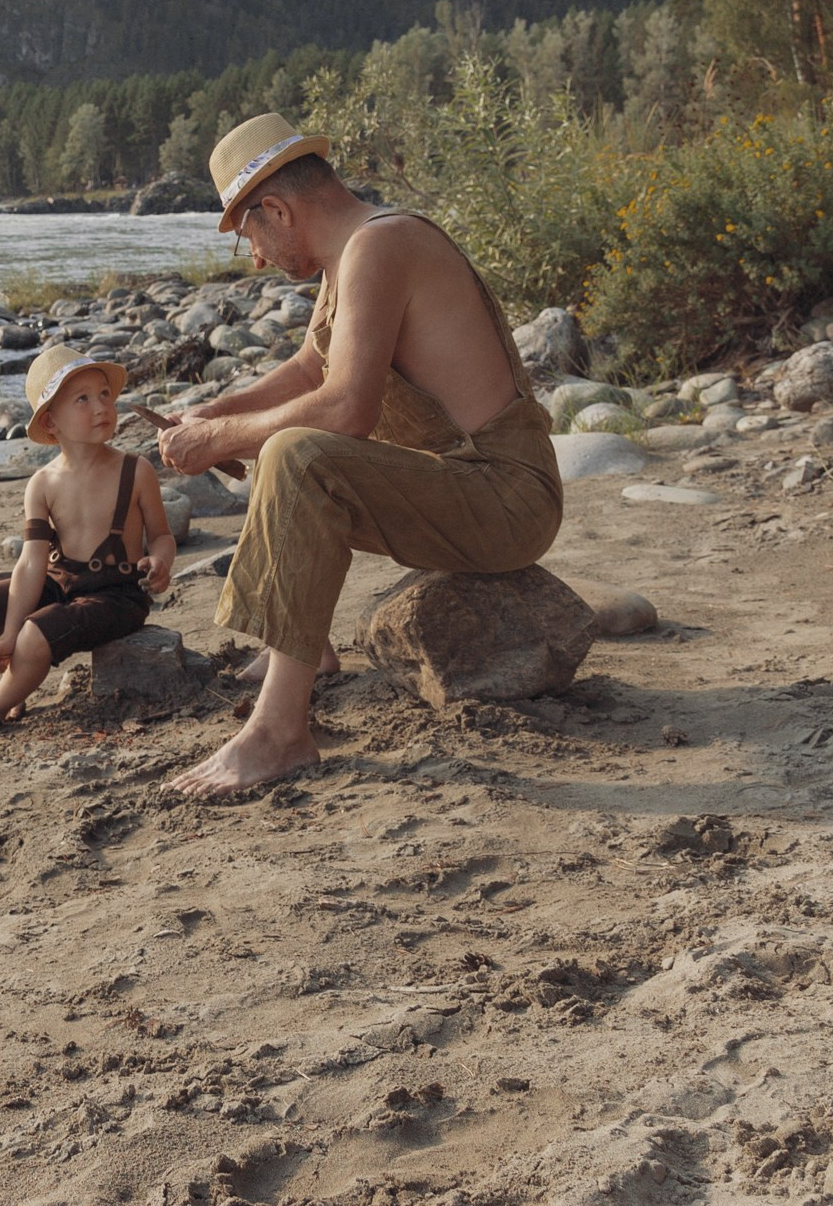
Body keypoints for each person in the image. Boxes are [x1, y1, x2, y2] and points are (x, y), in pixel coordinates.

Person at [155, 112, 563, 796]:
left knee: (296, 453)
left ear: (277, 209)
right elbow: (310, 371)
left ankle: (279, 734)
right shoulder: (350, 258)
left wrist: (224, 441)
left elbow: (346, 408)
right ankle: (306, 651)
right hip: (463, 487)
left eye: (247, 236)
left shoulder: (382, 247)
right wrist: (214, 414)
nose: (254, 257)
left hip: (507, 497)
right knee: (282, 438)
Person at [0, 346, 176, 740]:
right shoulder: (42, 484)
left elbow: (161, 535)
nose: (101, 407)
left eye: (105, 394)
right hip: (62, 582)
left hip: (117, 596)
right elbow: (31, 563)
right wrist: (7, 634)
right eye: (82, 399)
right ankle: (17, 685)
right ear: (50, 422)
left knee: (38, 630)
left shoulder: (135, 470)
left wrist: (160, 562)